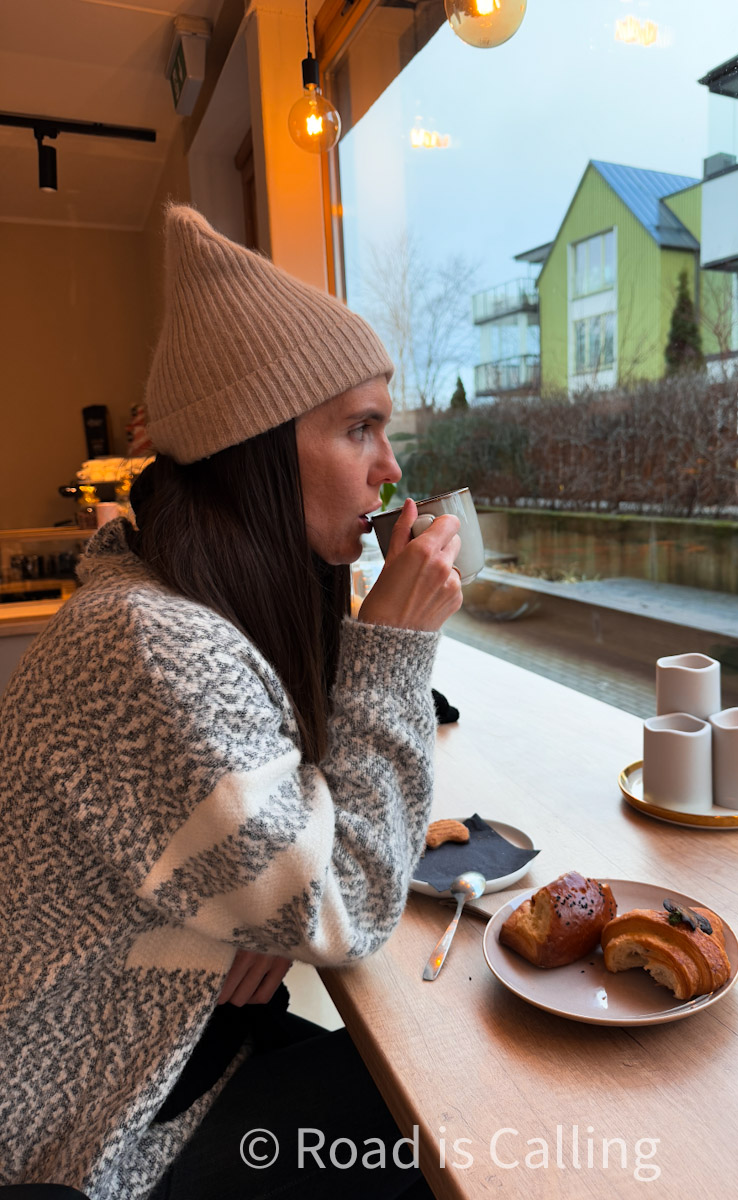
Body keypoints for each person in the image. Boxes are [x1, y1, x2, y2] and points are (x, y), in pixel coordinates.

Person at [0, 205, 463, 1199]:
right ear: (256, 450)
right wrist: (395, 649)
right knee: (453, 1145)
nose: (390, 469)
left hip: (173, 1028)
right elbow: (352, 906)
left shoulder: (175, 598)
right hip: (94, 1113)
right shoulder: (154, 643)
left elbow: (292, 843)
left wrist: (244, 917)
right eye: (359, 429)